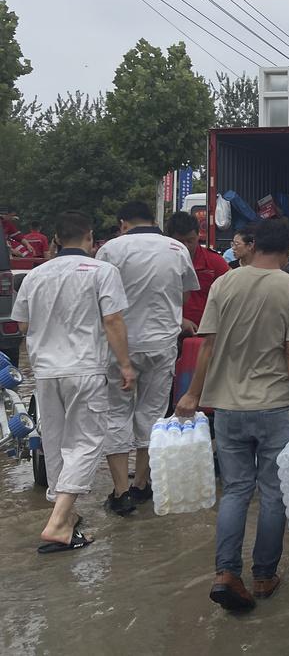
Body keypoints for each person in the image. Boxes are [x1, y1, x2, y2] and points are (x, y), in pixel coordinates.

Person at [175, 218, 289, 612]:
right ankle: (263, 575)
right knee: (272, 493)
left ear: (252, 246)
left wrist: (191, 394)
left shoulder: (224, 283)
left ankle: (225, 573)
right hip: (274, 406)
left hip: (227, 407)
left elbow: (206, 346)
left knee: (237, 490)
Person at [13, 211, 136, 553]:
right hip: (84, 368)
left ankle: (65, 514)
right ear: (90, 238)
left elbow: (22, 326)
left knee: (55, 441)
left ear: (55, 238)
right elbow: (112, 320)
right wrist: (125, 365)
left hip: (46, 371)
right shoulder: (102, 272)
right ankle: (58, 523)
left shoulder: (35, 276)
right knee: (86, 441)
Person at [97, 201, 199, 515]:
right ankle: (142, 484)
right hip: (161, 344)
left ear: (123, 222)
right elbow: (183, 296)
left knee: (116, 413)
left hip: (120, 346)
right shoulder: (177, 249)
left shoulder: (110, 250)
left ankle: (121, 491)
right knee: (153, 414)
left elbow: (100, 302)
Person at [166, 212, 229, 336]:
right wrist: (179, 321)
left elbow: (230, 295)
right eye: (180, 241)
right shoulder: (161, 262)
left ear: (198, 236)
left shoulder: (214, 261)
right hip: (169, 330)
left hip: (206, 332)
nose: (186, 246)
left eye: (190, 240)